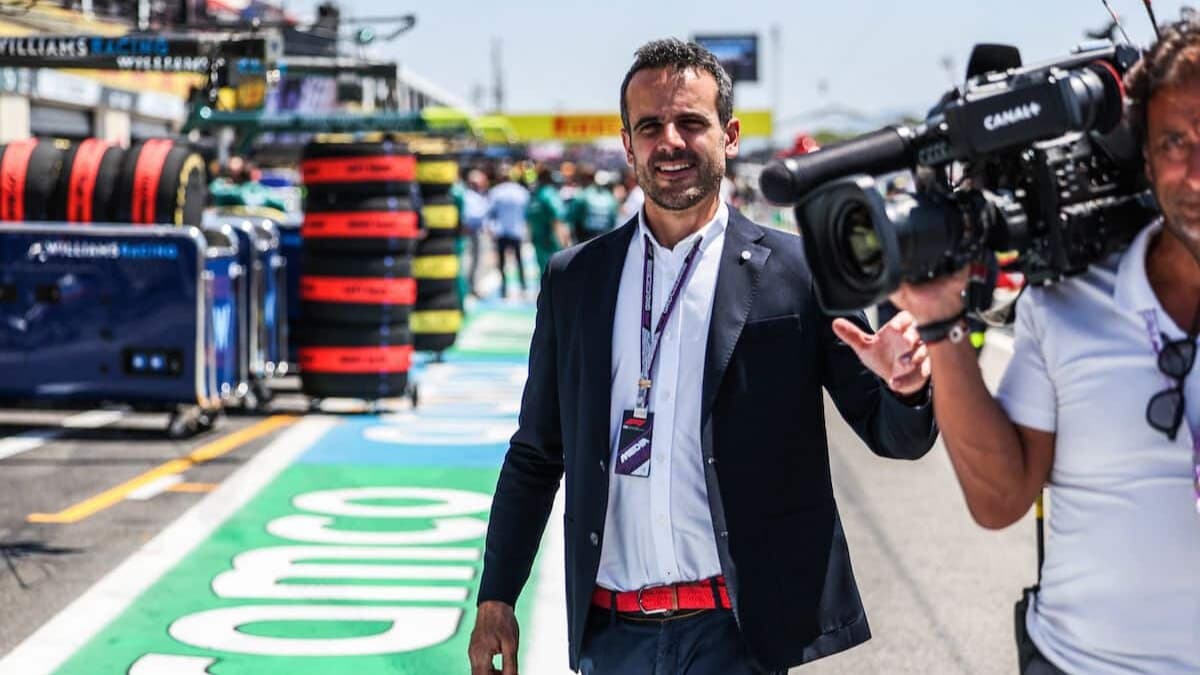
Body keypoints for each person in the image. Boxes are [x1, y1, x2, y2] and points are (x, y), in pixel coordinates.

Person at [469, 38, 939, 675]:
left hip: (739, 636)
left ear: (730, 135)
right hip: (612, 637)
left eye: (691, 122)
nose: (670, 141)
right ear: (627, 143)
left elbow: (895, 436)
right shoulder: (575, 279)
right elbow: (535, 451)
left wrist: (908, 388)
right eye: (650, 126)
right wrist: (497, 596)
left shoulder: (800, 274)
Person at [879, 11, 1200, 674]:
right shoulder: (1066, 303)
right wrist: (940, 327)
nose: (1195, 173)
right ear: (1143, 155)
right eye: (1175, 142)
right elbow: (999, 501)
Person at [486, 164, 531, 299]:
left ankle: (504, 289)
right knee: (518, 260)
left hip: (501, 231)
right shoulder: (521, 191)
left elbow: (490, 213)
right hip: (516, 230)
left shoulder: (496, 192)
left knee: (502, 262)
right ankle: (523, 287)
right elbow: (526, 211)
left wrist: (491, 228)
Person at [526, 166, 570, 276]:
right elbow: (558, 218)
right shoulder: (550, 194)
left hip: (538, 240)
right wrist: (565, 242)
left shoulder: (535, 196)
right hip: (551, 242)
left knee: (544, 274)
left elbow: (529, 221)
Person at [567, 163, 619, 243]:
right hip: (605, 236)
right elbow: (613, 220)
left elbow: (572, 217)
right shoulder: (610, 197)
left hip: (586, 237)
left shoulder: (582, 195)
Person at [461, 168, 491, 297]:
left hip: (478, 232)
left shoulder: (480, 196)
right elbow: (470, 215)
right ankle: (468, 287)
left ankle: (472, 286)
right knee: (469, 261)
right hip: (470, 232)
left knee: (478, 261)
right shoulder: (468, 196)